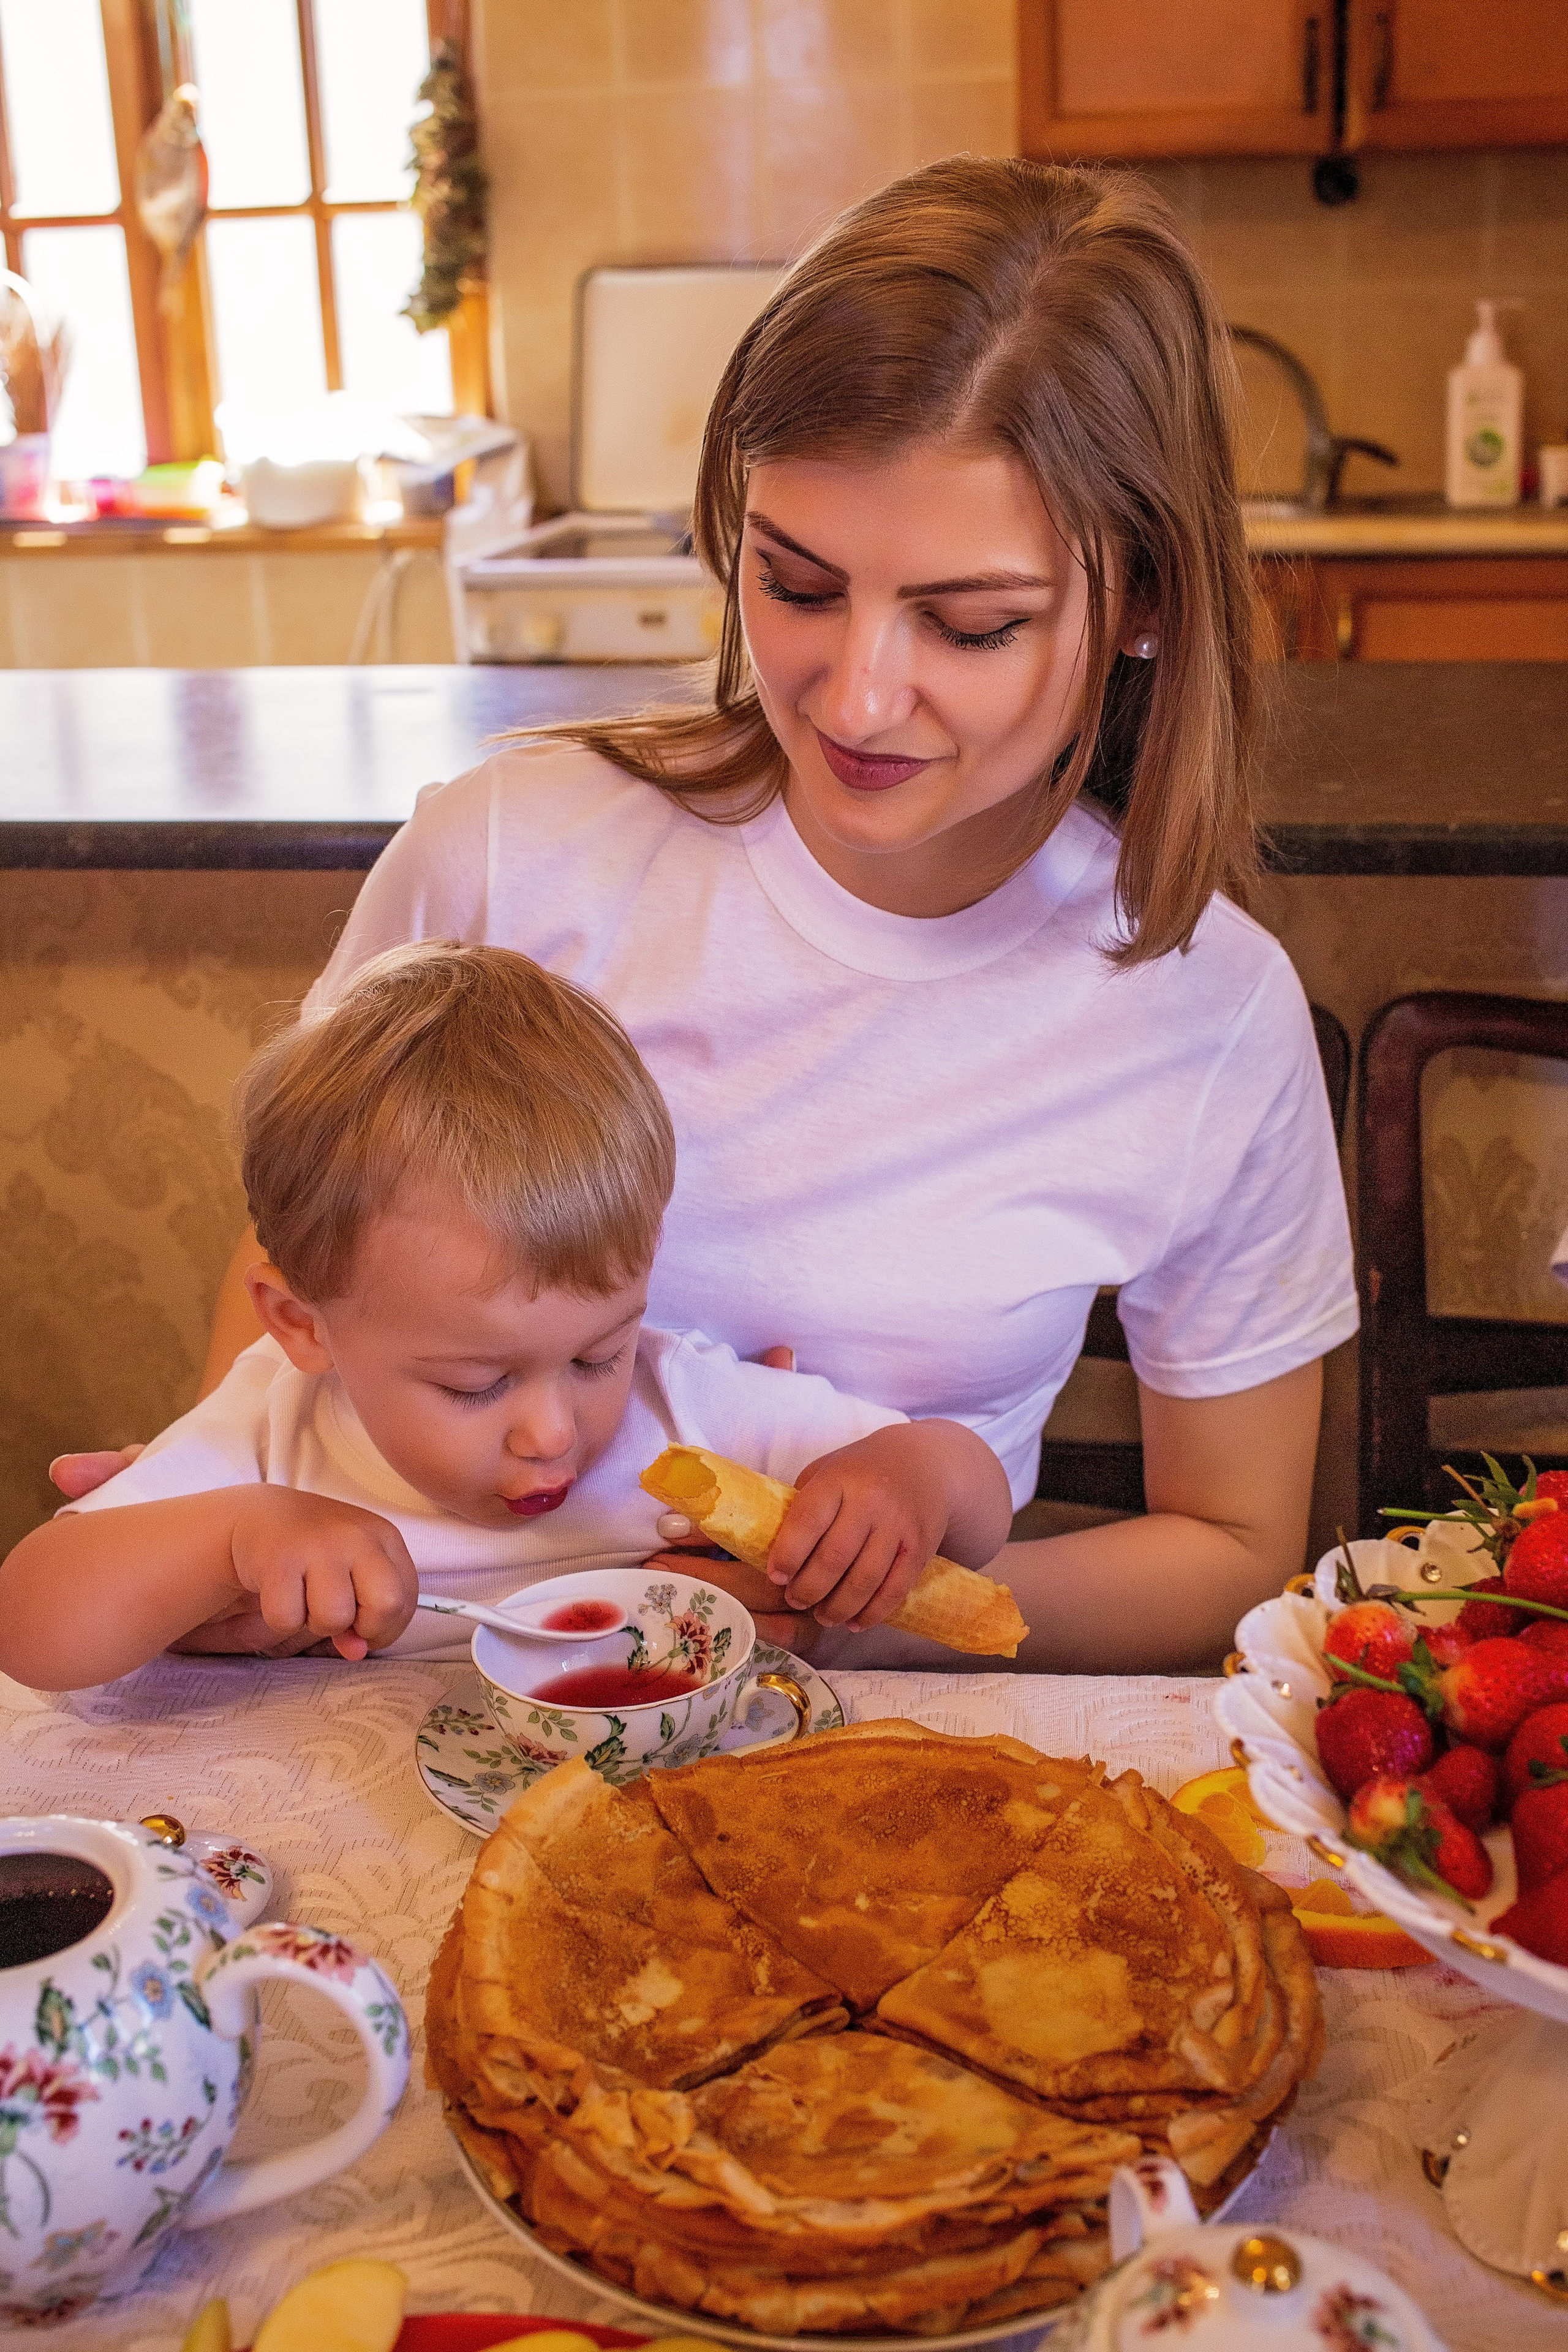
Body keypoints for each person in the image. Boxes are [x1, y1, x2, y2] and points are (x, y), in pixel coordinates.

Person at [52, 156, 1357, 1675]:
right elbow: (305, 1273)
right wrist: (243, 1547)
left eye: (970, 622)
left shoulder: (1205, 1010)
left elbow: (1233, 1550)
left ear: (1141, 603)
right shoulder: (505, 853)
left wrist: (872, 1620)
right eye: (795, 584)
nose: (857, 695)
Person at [3, 946, 1009, 1691]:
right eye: (476, 1384)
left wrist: (914, 1479)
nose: (554, 1432)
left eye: (594, 1355)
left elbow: (981, 1515)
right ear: (303, 1326)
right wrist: (232, 1539)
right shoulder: (273, 1431)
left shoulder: (684, 1399)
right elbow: (33, 1628)